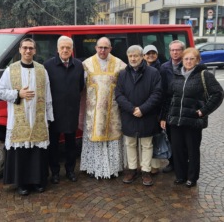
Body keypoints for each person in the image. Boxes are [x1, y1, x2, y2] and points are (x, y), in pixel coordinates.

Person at [0, 38, 54, 196]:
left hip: (38, 117)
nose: (28, 51)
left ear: (35, 51)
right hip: (19, 118)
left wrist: (49, 117)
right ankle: (22, 184)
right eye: (25, 48)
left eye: (31, 48)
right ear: (20, 50)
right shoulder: (10, 70)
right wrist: (17, 94)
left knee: (37, 151)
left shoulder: (42, 70)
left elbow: (48, 95)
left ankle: (38, 182)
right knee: (21, 152)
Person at [160, 47, 224, 188]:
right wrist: (164, 117)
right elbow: (168, 98)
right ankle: (180, 175)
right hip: (175, 120)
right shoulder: (177, 74)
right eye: (186, 59)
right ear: (182, 60)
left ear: (198, 60)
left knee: (192, 150)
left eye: (191, 59)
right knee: (177, 149)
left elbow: (218, 94)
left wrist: (203, 111)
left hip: (193, 120)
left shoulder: (204, 75)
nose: (188, 61)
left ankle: (192, 177)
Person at [115, 45, 162, 186]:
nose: (133, 58)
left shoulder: (153, 73)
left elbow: (157, 93)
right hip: (129, 115)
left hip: (147, 114)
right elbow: (118, 94)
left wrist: (143, 109)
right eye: (130, 56)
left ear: (142, 57)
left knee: (147, 144)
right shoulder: (122, 74)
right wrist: (131, 109)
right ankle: (132, 170)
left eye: (136, 55)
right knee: (130, 143)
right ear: (127, 57)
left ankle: (146, 172)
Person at [80, 37, 126, 179]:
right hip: (93, 112)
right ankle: (94, 168)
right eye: (100, 47)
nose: (103, 50)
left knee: (112, 137)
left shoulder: (120, 64)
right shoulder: (86, 64)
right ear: (96, 48)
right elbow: (81, 89)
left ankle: (113, 168)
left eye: (106, 48)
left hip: (113, 111)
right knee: (96, 136)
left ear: (110, 49)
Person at [43, 36, 84, 184]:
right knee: (53, 145)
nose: (65, 50)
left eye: (68, 47)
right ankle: (54, 172)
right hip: (54, 112)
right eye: (62, 47)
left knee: (70, 144)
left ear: (72, 49)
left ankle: (70, 170)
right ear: (58, 49)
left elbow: (80, 86)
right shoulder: (47, 66)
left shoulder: (78, 65)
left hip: (71, 111)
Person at [159, 40, 185, 173]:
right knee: (170, 137)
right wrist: (163, 116)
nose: (175, 52)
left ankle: (183, 163)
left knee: (183, 138)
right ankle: (173, 162)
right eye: (172, 50)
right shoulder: (164, 67)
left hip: (183, 107)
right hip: (169, 108)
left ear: (182, 51)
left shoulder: (188, 65)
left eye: (178, 50)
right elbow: (162, 92)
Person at [142, 44, 162, 175]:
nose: (150, 55)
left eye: (153, 53)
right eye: (148, 53)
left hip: (155, 108)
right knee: (145, 139)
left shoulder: (161, 69)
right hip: (143, 108)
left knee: (154, 138)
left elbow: (160, 92)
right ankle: (145, 164)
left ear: (157, 54)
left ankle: (154, 165)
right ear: (143, 56)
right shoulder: (141, 69)